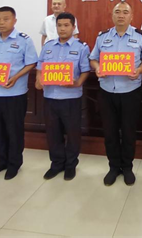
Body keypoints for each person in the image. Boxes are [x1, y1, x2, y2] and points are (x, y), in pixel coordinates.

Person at [90, 2, 142, 186]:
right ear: (112, 15)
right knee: (109, 132)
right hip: (107, 91)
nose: (121, 15)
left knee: (128, 132)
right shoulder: (102, 37)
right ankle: (113, 167)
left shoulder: (140, 36)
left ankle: (127, 167)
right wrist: (97, 68)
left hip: (130, 92)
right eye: (117, 12)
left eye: (125, 12)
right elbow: (93, 59)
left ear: (131, 16)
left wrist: (139, 71)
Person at [0, 6, 38, 180]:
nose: (1, 22)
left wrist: (16, 77)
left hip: (15, 94)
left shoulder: (24, 40)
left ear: (14, 20)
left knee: (14, 130)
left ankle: (14, 164)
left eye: (6, 19)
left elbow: (31, 63)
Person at [36, 12, 90, 181]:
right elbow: (40, 66)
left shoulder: (81, 47)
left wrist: (78, 83)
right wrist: (38, 79)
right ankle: (56, 163)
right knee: (53, 133)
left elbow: (85, 70)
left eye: (66, 25)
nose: (62, 29)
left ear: (73, 27)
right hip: (50, 96)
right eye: (59, 25)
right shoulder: (48, 46)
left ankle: (71, 165)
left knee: (73, 133)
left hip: (71, 98)